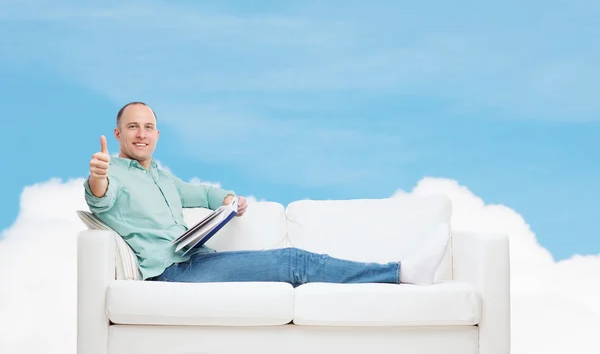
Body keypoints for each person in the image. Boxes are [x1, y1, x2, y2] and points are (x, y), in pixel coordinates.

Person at [84, 101, 450, 286]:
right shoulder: (111, 172)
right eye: (132, 127)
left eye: (148, 127)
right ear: (118, 134)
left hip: (197, 260)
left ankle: (398, 272)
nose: (141, 134)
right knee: (293, 261)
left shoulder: (164, 178)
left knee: (291, 261)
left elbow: (204, 193)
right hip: (170, 274)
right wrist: (98, 176)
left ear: (158, 135)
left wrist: (228, 201)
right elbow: (100, 197)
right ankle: (400, 273)